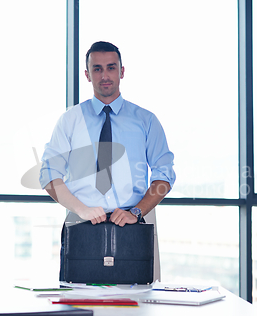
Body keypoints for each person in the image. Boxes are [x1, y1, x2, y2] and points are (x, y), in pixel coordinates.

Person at [39, 41, 175, 279]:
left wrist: (137, 211)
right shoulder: (70, 121)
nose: (105, 75)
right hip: (82, 224)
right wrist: (82, 210)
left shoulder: (146, 120)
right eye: (97, 69)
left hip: (134, 224)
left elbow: (164, 174)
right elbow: (49, 174)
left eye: (111, 68)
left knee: (139, 305)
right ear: (87, 74)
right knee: (78, 302)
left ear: (122, 71)